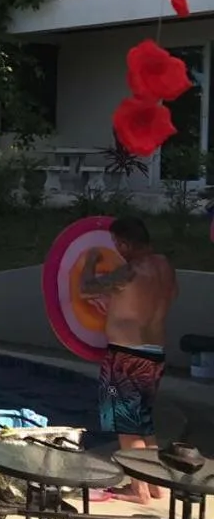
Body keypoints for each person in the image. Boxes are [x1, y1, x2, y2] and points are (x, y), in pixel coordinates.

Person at [82, 216, 176, 504]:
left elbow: (85, 288)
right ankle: (156, 484)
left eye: (115, 244)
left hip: (126, 356)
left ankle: (138, 490)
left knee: (126, 426)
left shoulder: (130, 273)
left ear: (123, 243)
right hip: (154, 355)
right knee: (144, 423)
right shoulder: (165, 267)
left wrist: (90, 260)